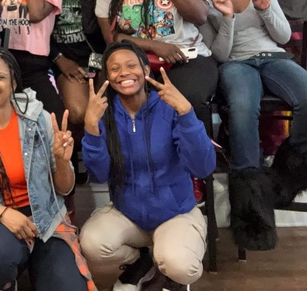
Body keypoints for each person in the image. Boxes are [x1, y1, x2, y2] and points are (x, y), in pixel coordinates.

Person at [200, 0, 307, 251]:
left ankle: (283, 178)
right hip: (234, 63)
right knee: (243, 109)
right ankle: (250, 203)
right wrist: (228, 18)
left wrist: (266, 7)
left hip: (272, 56)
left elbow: (282, 34)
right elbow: (218, 53)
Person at [0, 48, 95, 291]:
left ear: (14, 83)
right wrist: (0, 213)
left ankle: (39, 265)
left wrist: (63, 161)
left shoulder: (41, 120)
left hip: (47, 222)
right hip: (0, 225)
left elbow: (64, 189)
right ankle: (5, 280)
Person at [80, 41, 215, 291]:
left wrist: (186, 112)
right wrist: (91, 129)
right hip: (129, 215)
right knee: (92, 244)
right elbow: (98, 174)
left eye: (131, 65)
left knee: (180, 264)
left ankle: (171, 278)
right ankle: (142, 263)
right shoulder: (103, 114)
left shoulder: (170, 106)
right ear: (107, 77)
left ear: (145, 70)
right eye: (115, 69)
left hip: (175, 213)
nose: (123, 73)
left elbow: (203, 166)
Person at [51, 0, 114, 127]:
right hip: (67, 60)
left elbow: (92, 29)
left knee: (104, 114)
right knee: (79, 113)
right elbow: (39, 30)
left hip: (98, 60)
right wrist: (59, 59)